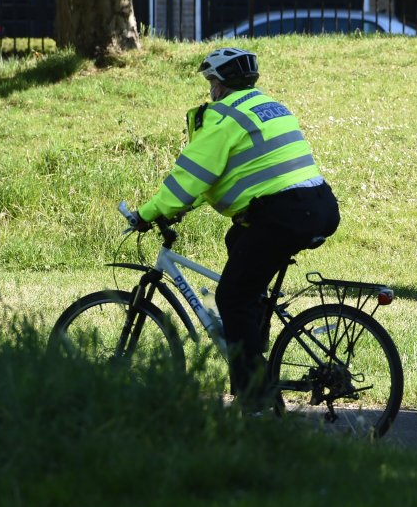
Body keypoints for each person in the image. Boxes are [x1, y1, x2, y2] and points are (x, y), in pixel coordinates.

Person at [133, 47, 340, 409]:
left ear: (221, 83)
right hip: (317, 205)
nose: (209, 89)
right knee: (241, 247)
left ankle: (255, 400)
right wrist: (186, 206)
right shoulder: (269, 107)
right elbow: (236, 173)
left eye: (211, 81)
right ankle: (255, 348)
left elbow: (190, 176)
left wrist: (148, 213)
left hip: (282, 214)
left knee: (232, 297)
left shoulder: (224, 117)